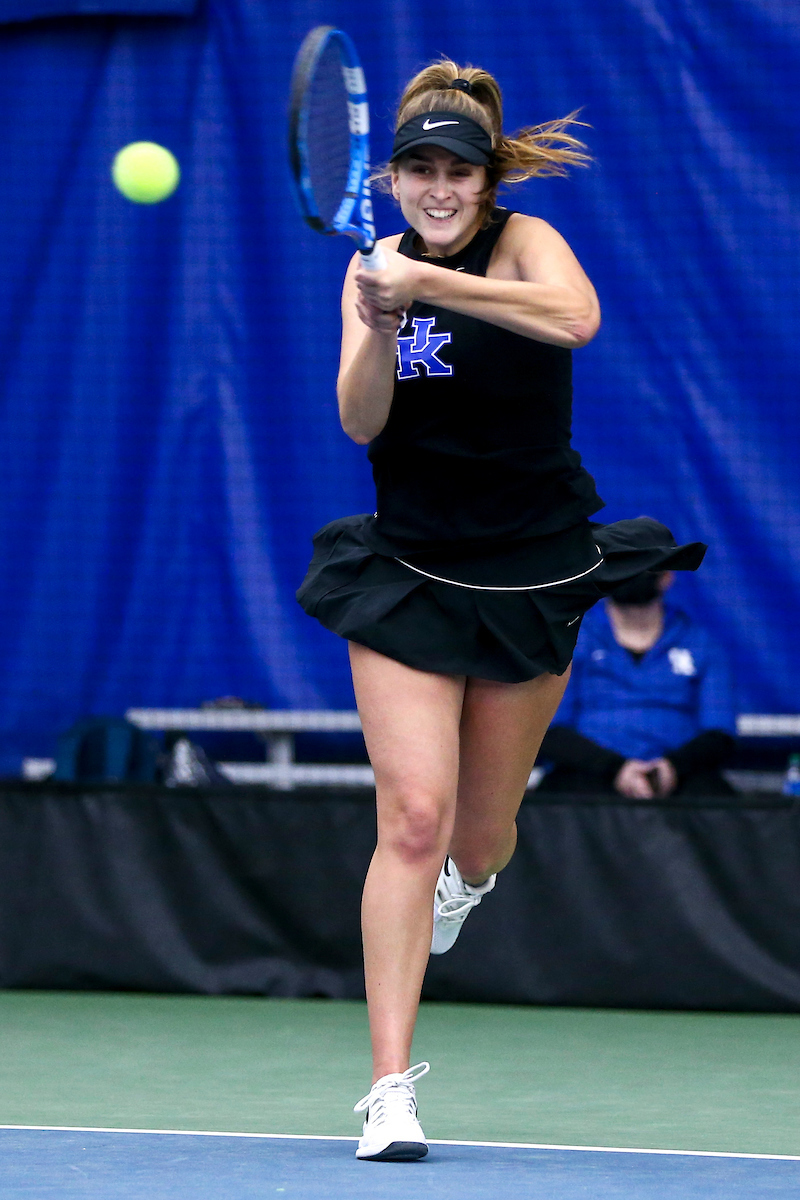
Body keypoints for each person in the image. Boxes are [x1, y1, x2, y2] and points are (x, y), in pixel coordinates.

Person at [297, 59, 706, 1162]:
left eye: (457, 172)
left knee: (476, 841)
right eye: (419, 168)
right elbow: (358, 422)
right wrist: (381, 315)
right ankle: (387, 1089)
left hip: (530, 568)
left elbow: (574, 319)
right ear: (390, 177)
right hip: (409, 571)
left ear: (485, 181)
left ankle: (465, 885)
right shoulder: (367, 271)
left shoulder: (523, 244)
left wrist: (434, 287)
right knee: (411, 820)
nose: (438, 188)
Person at [538, 571, 736, 797]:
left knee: (715, 800)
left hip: (678, 777)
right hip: (588, 775)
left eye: (643, 564)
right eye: (623, 563)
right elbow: (548, 728)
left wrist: (671, 768)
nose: (631, 571)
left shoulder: (702, 644)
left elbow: (720, 733)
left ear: (666, 576)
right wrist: (616, 769)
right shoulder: (570, 640)